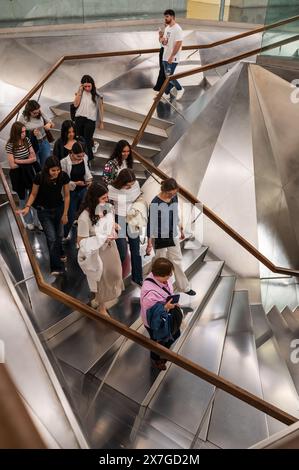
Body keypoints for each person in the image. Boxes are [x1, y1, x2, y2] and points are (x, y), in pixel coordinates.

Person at [18, 157, 70, 276]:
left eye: (58, 170)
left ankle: (60, 251)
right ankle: (56, 267)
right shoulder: (39, 177)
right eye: (53, 170)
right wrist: (27, 206)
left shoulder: (63, 176)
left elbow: (67, 196)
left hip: (59, 209)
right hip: (44, 211)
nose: (56, 173)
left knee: (60, 234)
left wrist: (65, 213)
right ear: (47, 169)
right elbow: (33, 193)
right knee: (51, 238)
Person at [77, 183, 124, 316]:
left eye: (107, 197)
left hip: (110, 246)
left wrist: (114, 226)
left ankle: (104, 297)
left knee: (116, 273)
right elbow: (81, 242)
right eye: (103, 198)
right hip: (97, 251)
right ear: (94, 199)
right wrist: (101, 238)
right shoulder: (84, 218)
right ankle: (101, 306)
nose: (106, 200)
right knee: (102, 279)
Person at [146, 178, 196, 296]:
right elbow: (151, 223)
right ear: (164, 190)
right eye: (170, 193)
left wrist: (180, 228)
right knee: (160, 262)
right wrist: (148, 242)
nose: (173, 195)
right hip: (159, 236)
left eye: (174, 193)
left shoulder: (174, 197)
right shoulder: (155, 202)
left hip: (172, 233)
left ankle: (184, 287)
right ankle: (160, 288)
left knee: (177, 259)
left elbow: (174, 213)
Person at [140, 257, 180, 370]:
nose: (171, 276)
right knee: (156, 342)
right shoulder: (150, 294)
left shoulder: (160, 280)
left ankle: (162, 352)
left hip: (165, 316)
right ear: (161, 275)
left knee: (175, 333)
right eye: (169, 274)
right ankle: (156, 359)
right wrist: (166, 307)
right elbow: (152, 316)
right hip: (154, 323)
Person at [108, 169, 144, 287]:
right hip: (119, 219)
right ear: (121, 182)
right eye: (127, 185)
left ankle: (137, 278)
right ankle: (115, 278)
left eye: (131, 185)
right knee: (122, 252)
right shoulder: (112, 189)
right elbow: (108, 207)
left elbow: (138, 198)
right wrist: (111, 223)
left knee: (136, 249)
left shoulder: (135, 185)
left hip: (132, 218)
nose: (130, 188)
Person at [6, 121, 40, 230]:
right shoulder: (10, 145)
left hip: (28, 172)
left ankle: (36, 221)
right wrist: (27, 160)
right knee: (22, 198)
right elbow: (12, 165)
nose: (24, 134)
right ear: (16, 133)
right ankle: (28, 221)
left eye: (25, 131)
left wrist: (19, 161)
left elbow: (34, 158)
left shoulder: (27, 140)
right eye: (22, 132)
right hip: (18, 175)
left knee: (33, 195)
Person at [60, 142, 93, 240]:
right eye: (78, 156)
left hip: (83, 189)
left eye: (82, 155)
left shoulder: (84, 157)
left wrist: (89, 180)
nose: (81, 158)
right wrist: (75, 183)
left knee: (84, 212)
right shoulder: (64, 162)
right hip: (71, 191)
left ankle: (83, 235)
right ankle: (63, 235)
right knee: (70, 215)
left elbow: (86, 171)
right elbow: (63, 180)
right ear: (72, 153)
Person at [20, 100, 54, 167]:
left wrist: (49, 125)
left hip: (44, 141)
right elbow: (19, 133)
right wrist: (31, 132)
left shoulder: (40, 113)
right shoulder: (23, 118)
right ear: (28, 111)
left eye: (38, 112)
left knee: (46, 165)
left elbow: (52, 124)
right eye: (34, 113)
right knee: (36, 166)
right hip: (31, 144)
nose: (37, 114)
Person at [73, 75, 100, 162]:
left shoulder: (96, 94)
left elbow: (101, 108)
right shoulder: (80, 92)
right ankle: (80, 158)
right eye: (85, 86)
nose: (87, 88)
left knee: (87, 140)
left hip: (91, 120)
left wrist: (101, 121)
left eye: (89, 86)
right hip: (79, 118)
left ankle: (88, 159)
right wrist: (80, 90)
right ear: (82, 85)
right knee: (79, 139)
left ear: (92, 85)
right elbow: (75, 105)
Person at [161, 9, 184, 101]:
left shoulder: (177, 29)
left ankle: (180, 89)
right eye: (165, 17)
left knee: (169, 76)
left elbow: (178, 44)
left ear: (173, 17)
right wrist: (162, 38)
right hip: (165, 56)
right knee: (167, 77)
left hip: (172, 58)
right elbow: (166, 42)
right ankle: (166, 93)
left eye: (167, 16)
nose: (165, 18)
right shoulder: (167, 28)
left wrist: (172, 56)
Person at [153, 27, 166, 92]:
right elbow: (161, 42)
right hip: (162, 51)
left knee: (163, 70)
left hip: (165, 51)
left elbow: (163, 42)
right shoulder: (165, 33)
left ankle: (160, 87)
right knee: (162, 68)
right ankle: (160, 87)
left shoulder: (169, 32)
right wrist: (160, 36)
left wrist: (162, 37)